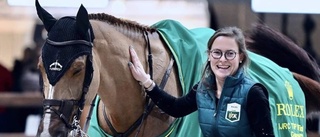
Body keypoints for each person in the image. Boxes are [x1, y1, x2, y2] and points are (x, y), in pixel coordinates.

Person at [128, 26, 275, 137]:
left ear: (241, 57)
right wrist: (146, 81)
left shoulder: (253, 93)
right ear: (209, 56)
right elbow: (175, 108)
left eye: (230, 53)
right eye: (217, 52)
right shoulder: (203, 90)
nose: (222, 59)